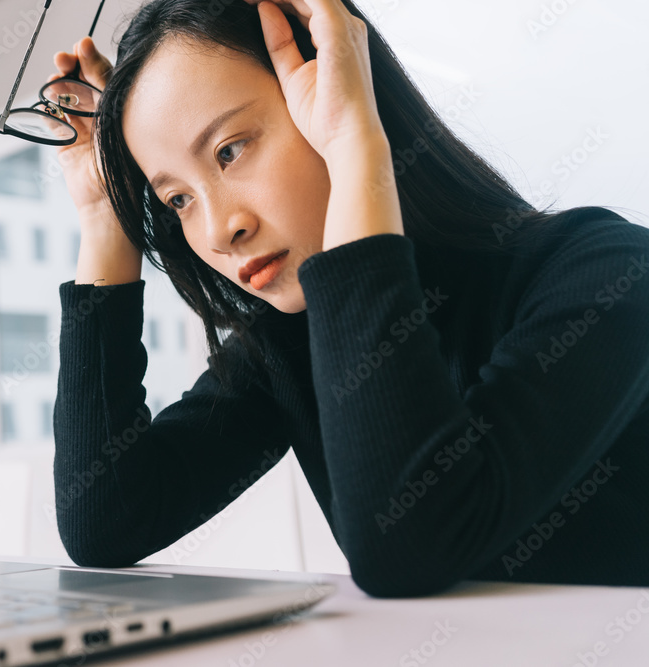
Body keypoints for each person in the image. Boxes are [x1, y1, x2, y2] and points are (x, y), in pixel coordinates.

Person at [44, 0, 649, 598]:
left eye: (230, 150)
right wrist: (104, 214)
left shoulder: (610, 272)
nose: (215, 231)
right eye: (178, 200)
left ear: (339, 92)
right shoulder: (293, 340)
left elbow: (411, 546)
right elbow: (105, 517)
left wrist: (358, 147)